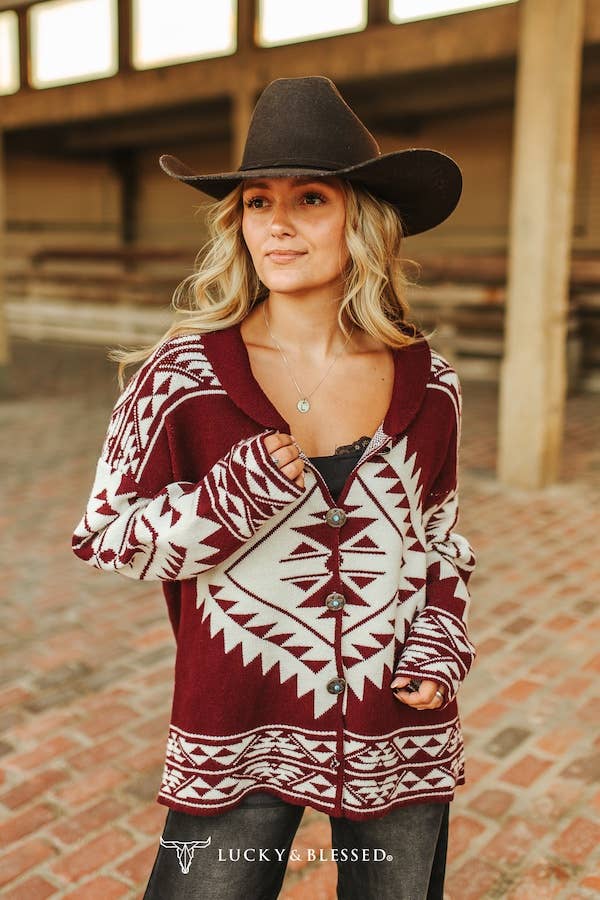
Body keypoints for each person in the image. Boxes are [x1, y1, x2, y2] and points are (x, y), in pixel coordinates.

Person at [72, 76, 476, 900]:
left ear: (363, 221)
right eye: (258, 202)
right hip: (237, 722)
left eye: (310, 199)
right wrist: (229, 503)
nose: (278, 224)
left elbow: (440, 539)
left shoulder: (432, 386)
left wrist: (440, 637)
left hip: (398, 724)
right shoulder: (179, 379)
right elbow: (106, 534)